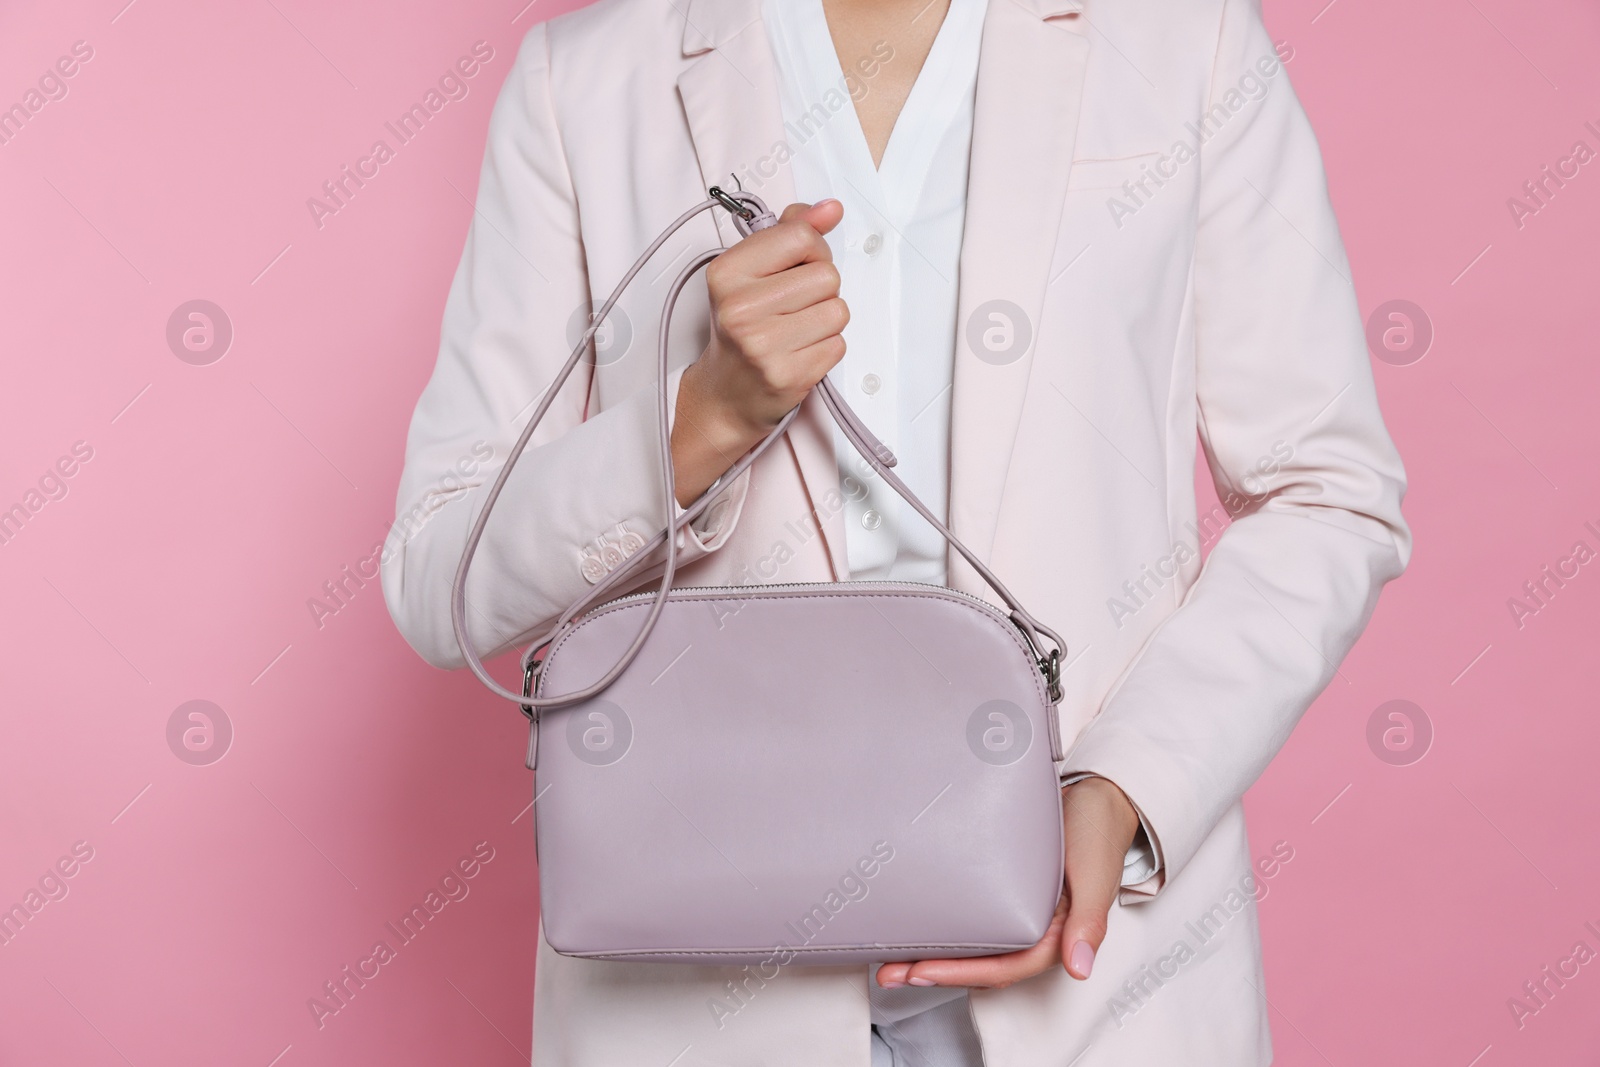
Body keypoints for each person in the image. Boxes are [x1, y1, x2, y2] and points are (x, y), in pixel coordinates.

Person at [380, 0, 1411, 1061]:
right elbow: (436, 572)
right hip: (693, 1001)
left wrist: (1127, 784)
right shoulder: (583, 82)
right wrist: (701, 422)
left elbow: (1326, 489)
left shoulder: (1183, 41)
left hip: (1100, 997)